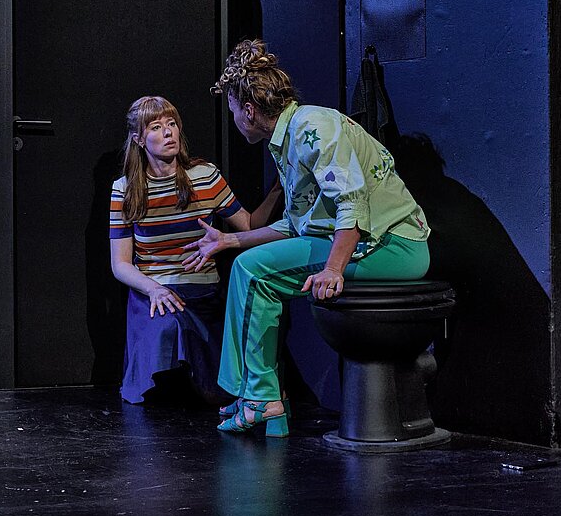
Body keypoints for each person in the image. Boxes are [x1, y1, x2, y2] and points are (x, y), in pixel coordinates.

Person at [185, 39, 431, 436]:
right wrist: (230, 241)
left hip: (393, 245)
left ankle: (259, 397)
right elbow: (300, 225)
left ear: (249, 111)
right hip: (366, 241)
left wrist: (333, 269)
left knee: (254, 271)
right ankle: (260, 396)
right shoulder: (290, 138)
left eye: (232, 111)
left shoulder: (313, 127)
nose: (234, 120)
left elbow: (351, 204)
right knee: (249, 266)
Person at [109, 96, 252, 406]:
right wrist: (154, 289)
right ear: (139, 139)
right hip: (154, 293)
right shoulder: (125, 189)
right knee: (166, 327)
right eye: (156, 127)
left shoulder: (205, 176)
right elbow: (120, 264)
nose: (168, 132)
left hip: (202, 293)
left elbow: (249, 225)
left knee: (213, 390)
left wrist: (279, 191)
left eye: (171, 124)